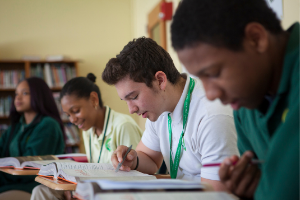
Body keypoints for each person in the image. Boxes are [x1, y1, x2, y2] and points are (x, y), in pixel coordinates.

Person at [170, 0, 299, 199]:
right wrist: (248, 191)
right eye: (199, 78)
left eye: (213, 73)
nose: (211, 94)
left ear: (256, 39)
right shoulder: (245, 106)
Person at [102, 37, 239, 190]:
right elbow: (150, 159)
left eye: (133, 97)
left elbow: (215, 194)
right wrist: (132, 160)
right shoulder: (159, 110)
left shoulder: (212, 116)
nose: (131, 109)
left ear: (160, 80)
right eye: (125, 100)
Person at [31, 73, 143, 200]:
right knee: (41, 191)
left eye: (76, 111)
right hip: (94, 189)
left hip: (116, 192)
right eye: (68, 115)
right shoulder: (88, 130)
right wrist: (73, 188)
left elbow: (135, 177)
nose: (72, 120)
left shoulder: (123, 125)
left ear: (94, 99)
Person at [0, 77, 65, 200]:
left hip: (36, 186)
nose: (18, 98)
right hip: (12, 183)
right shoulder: (16, 126)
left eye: (25, 93)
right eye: (16, 94)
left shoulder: (48, 125)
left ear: (38, 95)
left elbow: (30, 168)